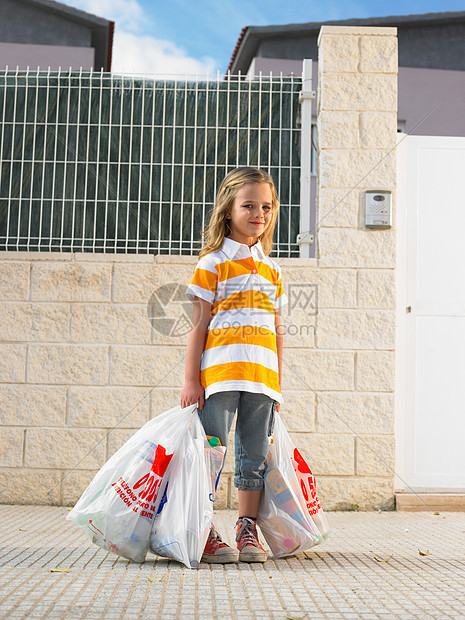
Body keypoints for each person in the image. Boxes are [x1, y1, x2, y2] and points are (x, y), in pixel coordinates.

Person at [181, 167, 288, 563]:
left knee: (254, 456)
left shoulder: (273, 270)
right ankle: (203, 529)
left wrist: (278, 384)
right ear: (228, 210)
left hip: (262, 380)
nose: (259, 213)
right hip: (220, 376)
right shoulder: (213, 263)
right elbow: (198, 327)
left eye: (266, 206)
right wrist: (192, 380)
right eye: (249, 205)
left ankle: (246, 529)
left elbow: (277, 331)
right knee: (210, 453)